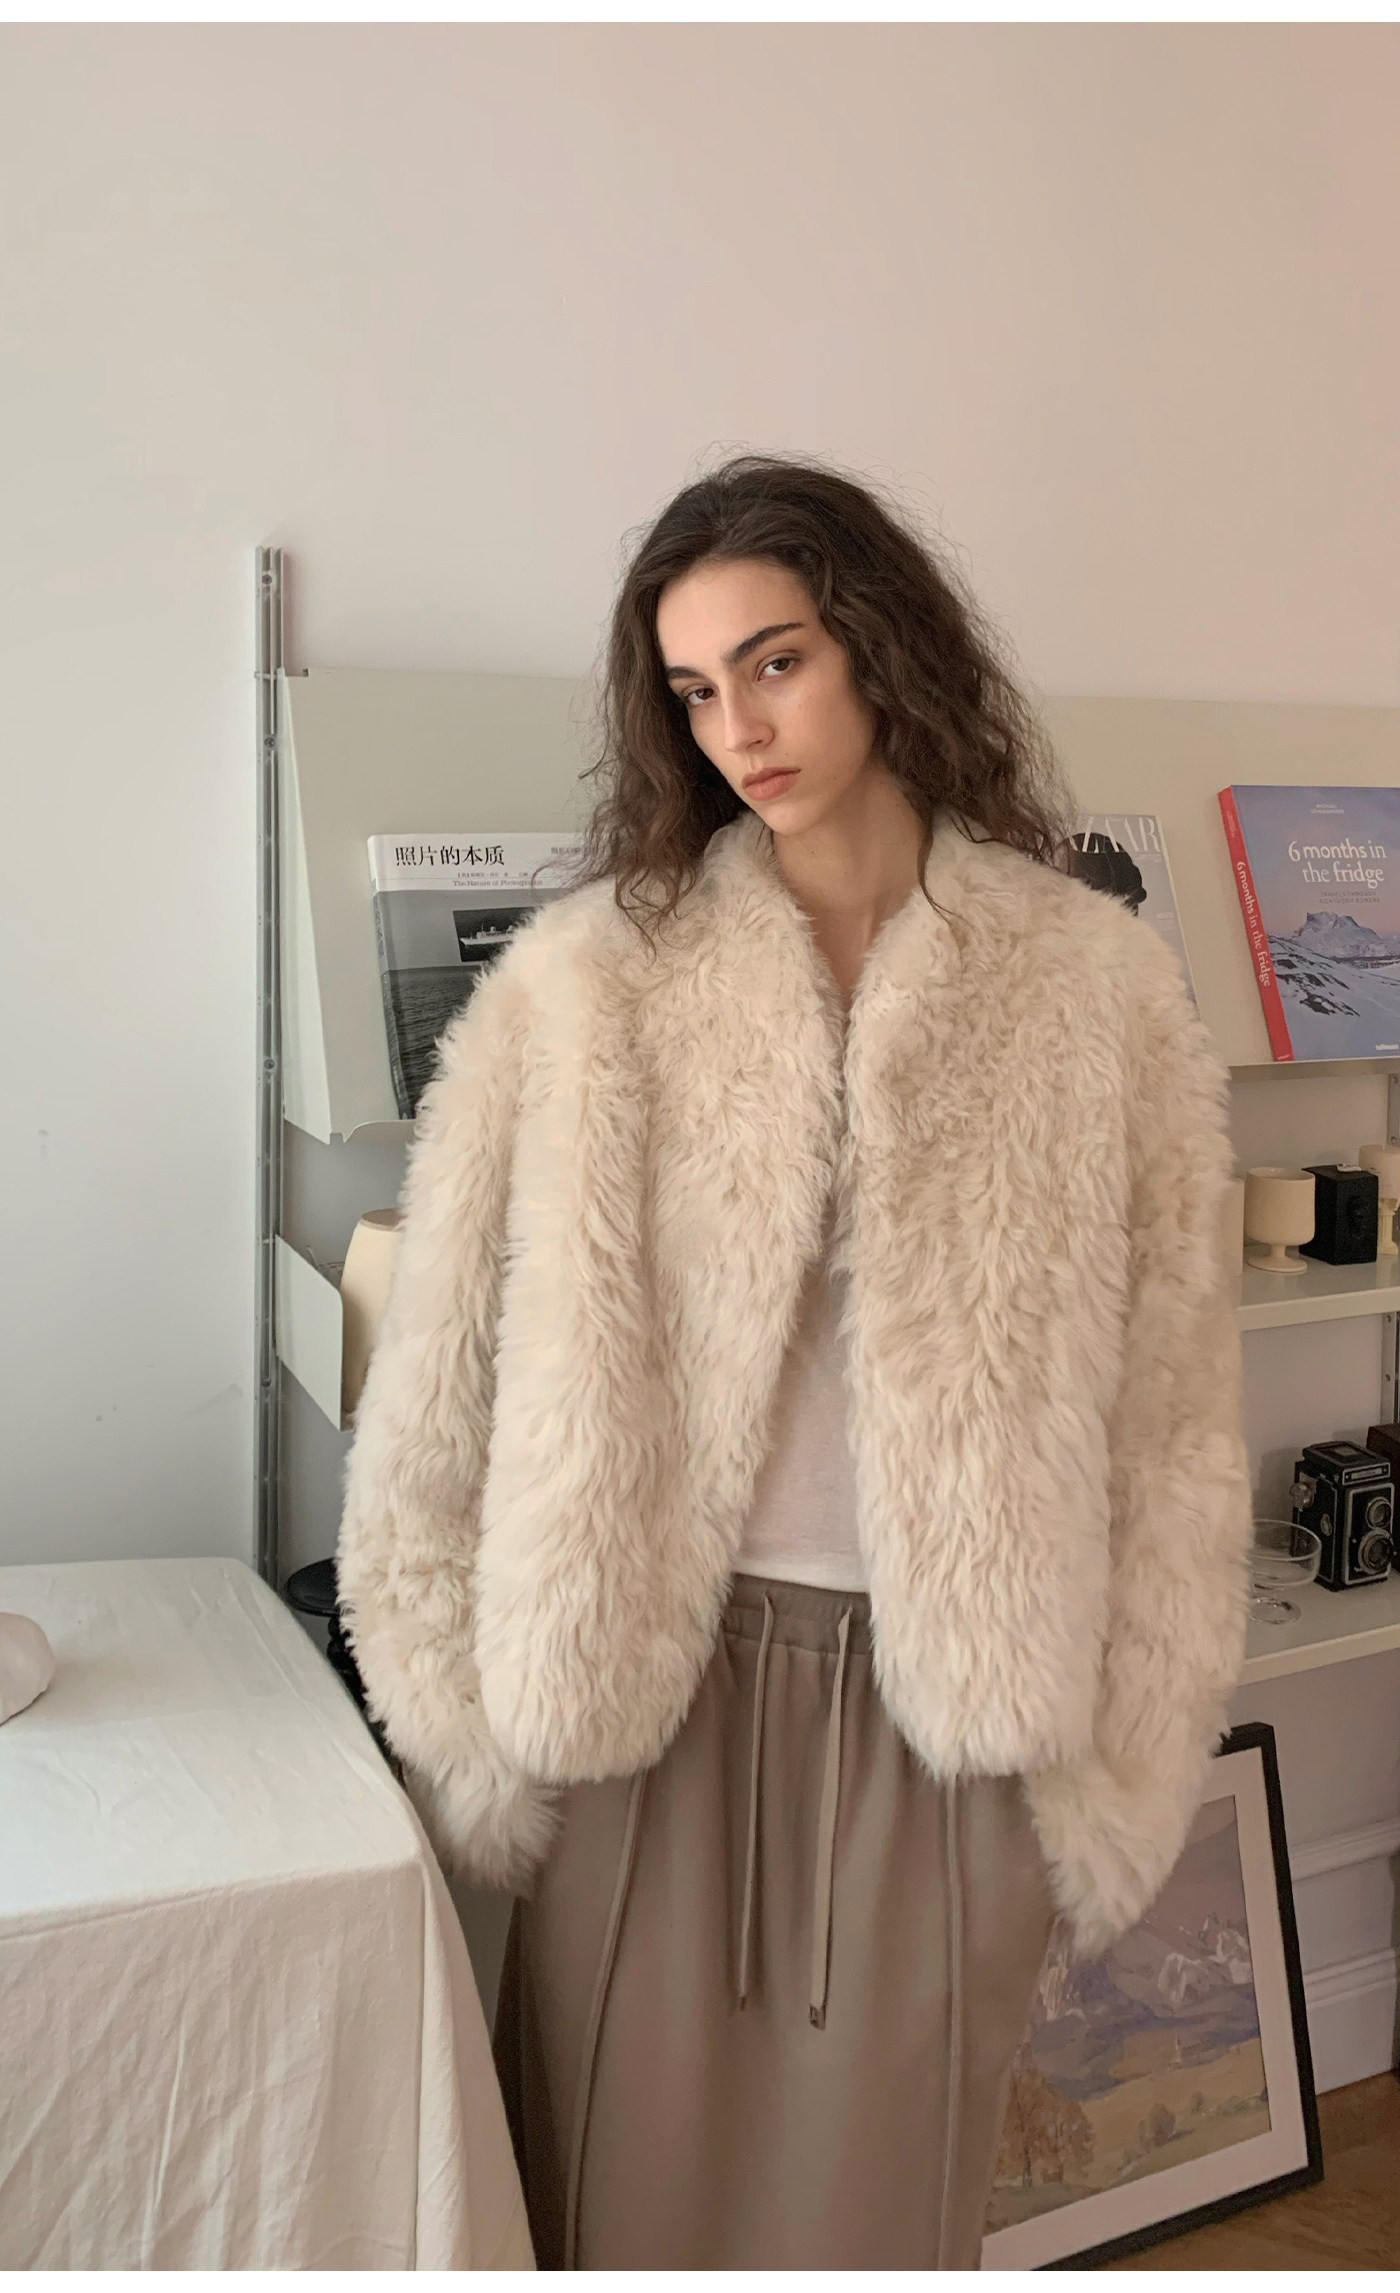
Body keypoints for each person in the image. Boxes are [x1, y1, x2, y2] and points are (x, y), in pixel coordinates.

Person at [336, 452, 1254, 2269]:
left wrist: (1126, 1770)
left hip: (952, 1706)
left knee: (883, 2217)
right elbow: (437, 1375)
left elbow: (1174, 1412)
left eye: (776, 662)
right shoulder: (593, 980)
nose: (738, 727)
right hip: (649, 1690)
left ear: (882, 647)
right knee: (608, 2193)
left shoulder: (1092, 987)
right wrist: (458, 1709)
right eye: (694, 689)